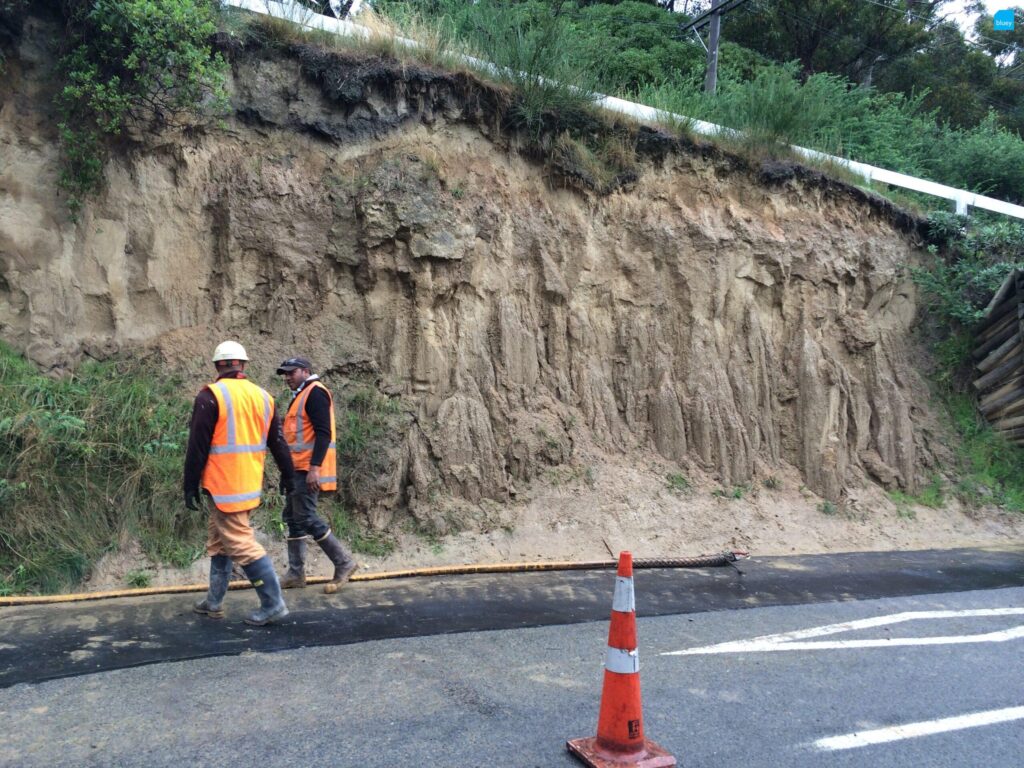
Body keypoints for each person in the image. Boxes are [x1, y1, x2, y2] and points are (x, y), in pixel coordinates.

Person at [183, 340, 296, 626]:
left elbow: (197, 446)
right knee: (219, 542)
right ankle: (214, 602)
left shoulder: (211, 396)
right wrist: (288, 474)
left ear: (217, 366)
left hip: (224, 485)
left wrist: (189, 484)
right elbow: (279, 443)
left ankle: (273, 604)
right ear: (243, 365)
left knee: (242, 544)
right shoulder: (264, 397)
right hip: (248, 483)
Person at [276, 356, 358, 594]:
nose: (287, 378)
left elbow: (323, 433)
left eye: (291, 373)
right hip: (296, 469)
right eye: (285, 374)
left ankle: (343, 562)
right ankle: (296, 573)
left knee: (305, 517)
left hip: (307, 469)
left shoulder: (315, 393)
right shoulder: (301, 395)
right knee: (292, 517)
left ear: (305, 371)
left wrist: (314, 468)